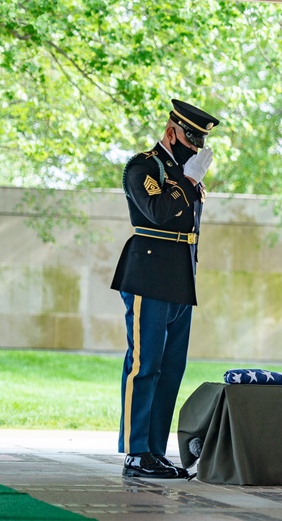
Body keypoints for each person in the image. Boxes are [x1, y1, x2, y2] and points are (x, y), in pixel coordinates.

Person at [111, 99, 220, 479]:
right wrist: (188, 182)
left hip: (179, 278)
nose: (195, 147)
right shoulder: (143, 166)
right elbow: (156, 212)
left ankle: (155, 452)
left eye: (199, 141)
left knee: (171, 368)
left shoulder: (186, 172)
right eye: (191, 138)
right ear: (172, 131)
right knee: (144, 365)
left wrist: (190, 180)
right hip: (148, 274)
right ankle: (135, 452)